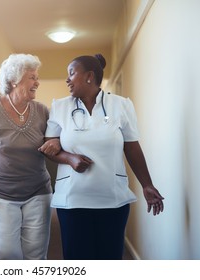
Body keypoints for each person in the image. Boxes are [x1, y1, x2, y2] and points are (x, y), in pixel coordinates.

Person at [38, 53, 164, 260]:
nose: (67, 80)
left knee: (110, 258)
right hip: (73, 200)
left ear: (89, 76)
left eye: (71, 73)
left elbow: (132, 148)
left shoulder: (122, 105)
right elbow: (50, 148)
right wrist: (69, 158)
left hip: (112, 199)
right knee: (77, 260)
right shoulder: (60, 107)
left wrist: (147, 185)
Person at [0, 53, 60, 260]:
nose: (37, 82)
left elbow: (54, 142)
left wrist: (56, 142)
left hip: (39, 191)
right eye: (32, 77)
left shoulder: (42, 111)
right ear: (13, 80)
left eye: (37, 77)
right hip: (1, 194)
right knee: (6, 253)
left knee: (36, 254)